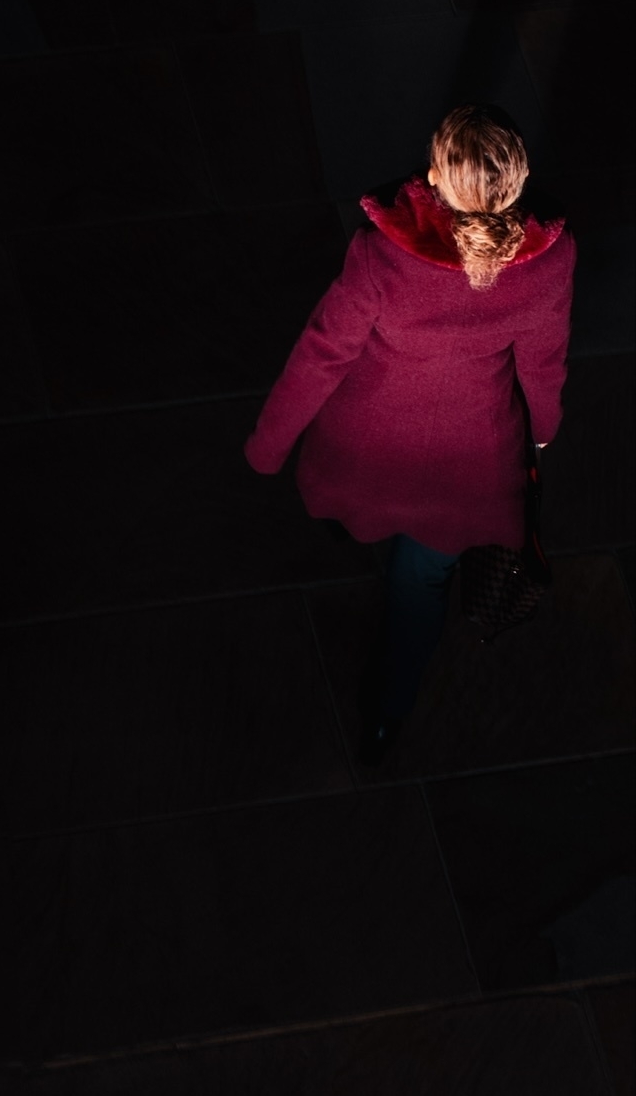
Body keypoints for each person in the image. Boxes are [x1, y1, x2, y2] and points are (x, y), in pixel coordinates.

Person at [244, 105, 575, 764]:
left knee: (364, 516)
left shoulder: (381, 256)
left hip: (369, 445)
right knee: (420, 586)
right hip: (470, 461)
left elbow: (322, 353)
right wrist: (539, 434)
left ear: (434, 176)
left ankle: (356, 532)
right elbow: (542, 362)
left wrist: (269, 444)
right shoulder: (549, 259)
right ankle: (385, 718)